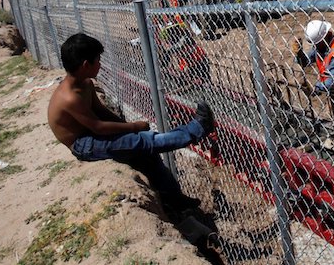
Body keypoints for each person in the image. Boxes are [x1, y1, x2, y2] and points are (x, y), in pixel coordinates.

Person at [48, 32, 215, 215]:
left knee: (148, 155)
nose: (100, 64)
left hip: (92, 134)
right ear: (86, 65)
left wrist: (126, 127)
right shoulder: (70, 98)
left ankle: (174, 199)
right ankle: (198, 128)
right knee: (144, 142)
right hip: (84, 144)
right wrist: (134, 128)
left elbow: (101, 112)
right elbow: (98, 127)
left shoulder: (85, 83)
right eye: (98, 60)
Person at [290, 20, 334, 135]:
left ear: (322, 39)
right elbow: (305, 62)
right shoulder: (320, 48)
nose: (313, 46)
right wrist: (299, 54)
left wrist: (317, 88)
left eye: (315, 43)